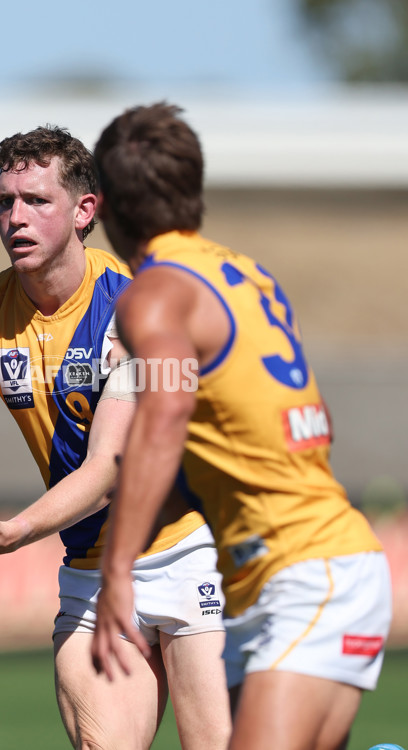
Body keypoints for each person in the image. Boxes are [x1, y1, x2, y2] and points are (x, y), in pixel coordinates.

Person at [0, 125, 231, 750]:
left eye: (36, 200)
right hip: (92, 573)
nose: (16, 218)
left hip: (191, 552)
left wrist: (18, 532)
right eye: (5, 202)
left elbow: (109, 470)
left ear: (85, 211)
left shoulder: (139, 305)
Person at [90, 103, 393, 750]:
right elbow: (304, 421)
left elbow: (166, 408)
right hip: (300, 571)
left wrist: (118, 567)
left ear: (107, 205)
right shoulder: (246, 276)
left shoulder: (155, 292)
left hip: (308, 572)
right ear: (193, 189)